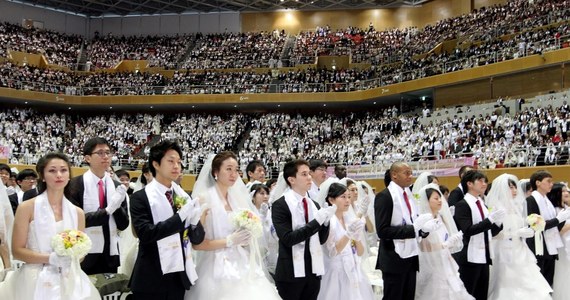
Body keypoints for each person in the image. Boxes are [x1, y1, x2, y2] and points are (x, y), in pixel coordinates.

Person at [0, 152, 100, 299]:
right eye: (52, 170)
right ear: (42, 175)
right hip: (33, 279)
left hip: (69, 278)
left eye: (63, 170)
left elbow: (81, 251)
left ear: (69, 175)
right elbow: (17, 251)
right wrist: (50, 258)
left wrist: (72, 257)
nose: (59, 175)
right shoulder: (27, 208)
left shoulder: (77, 213)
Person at [186, 151, 280, 300]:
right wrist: (229, 241)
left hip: (242, 261)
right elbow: (197, 244)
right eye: (228, 169)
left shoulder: (237, 200)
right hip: (216, 265)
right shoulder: (204, 199)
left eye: (236, 170)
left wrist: (247, 236)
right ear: (216, 172)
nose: (233, 174)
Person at [129, 140, 205, 300]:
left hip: (178, 277)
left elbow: (197, 239)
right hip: (151, 277)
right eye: (171, 161)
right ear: (156, 164)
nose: (177, 166)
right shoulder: (140, 197)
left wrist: (194, 223)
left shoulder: (183, 197)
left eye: (179, 162)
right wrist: (180, 217)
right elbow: (145, 234)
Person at [272, 159, 335, 300]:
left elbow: (322, 239)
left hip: (313, 271)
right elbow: (288, 239)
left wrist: (325, 223)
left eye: (309, 174)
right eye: (304, 174)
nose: (309, 178)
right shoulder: (280, 205)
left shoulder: (314, 204)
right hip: (290, 272)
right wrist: (316, 222)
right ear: (291, 179)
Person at [375, 162, 439, 300]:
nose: (410, 176)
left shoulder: (408, 195)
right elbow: (382, 231)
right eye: (406, 173)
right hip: (394, 258)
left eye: (411, 173)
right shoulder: (385, 196)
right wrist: (413, 229)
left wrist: (423, 230)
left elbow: (413, 222)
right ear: (394, 175)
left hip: (411, 257)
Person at [68, 137, 129, 274]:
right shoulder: (75, 185)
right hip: (84, 253)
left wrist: (117, 206)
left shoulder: (117, 187)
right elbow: (76, 220)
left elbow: (123, 225)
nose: (106, 157)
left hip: (110, 253)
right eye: (100, 153)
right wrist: (107, 211)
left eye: (108, 153)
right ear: (88, 158)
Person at [486, 174, 551, 300]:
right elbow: (493, 234)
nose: (515, 191)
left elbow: (519, 224)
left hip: (520, 248)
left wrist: (528, 230)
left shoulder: (517, 206)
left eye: (515, 187)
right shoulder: (495, 208)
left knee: (529, 279)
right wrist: (516, 233)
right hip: (504, 250)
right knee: (508, 281)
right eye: (511, 188)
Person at [317, 181, 374, 300]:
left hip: (353, 269)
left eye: (348, 197)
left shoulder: (349, 219)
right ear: (331, 200)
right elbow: (333, 252)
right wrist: (348, 234)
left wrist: (357, 238)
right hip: (336, 272)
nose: (347, 200)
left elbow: (360, 252)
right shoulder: (329, 222)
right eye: (343, 197)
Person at [415, 183, 472, 300]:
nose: (440, 201)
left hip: (445, 260)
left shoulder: (441, 217)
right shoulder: (424, 220)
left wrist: (452, 242)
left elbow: (446, 237)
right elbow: (423, 245)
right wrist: (444, 245)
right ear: (427, 201)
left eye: (440, 197)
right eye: (436, 198)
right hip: (431, 263)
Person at [453, 170, 504, 300]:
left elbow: (488, 232)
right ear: (469, 183)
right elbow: (468, 230)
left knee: (482, 293)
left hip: (484, 255)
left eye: (485, 181)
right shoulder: (462, 205)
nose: (484, 183)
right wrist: (489, 221)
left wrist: (498, 224)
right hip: (469, 256)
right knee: (469, 293)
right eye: (480, 181)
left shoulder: (482, 203)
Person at [526, 170, 570, 286]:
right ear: (538, 183)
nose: (551, 184)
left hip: (550, 248)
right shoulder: (531, 200)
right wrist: (558, 220)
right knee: (539, 283)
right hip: (538, 247)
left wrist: (563, 218)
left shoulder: (547, 201)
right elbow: (535, 225)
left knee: (549, 282)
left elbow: (556, 225)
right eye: (548, 181)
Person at [550, 183, 570, 300]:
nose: (566, 193)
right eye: (563, 191)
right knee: (564, 271)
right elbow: (558, 230)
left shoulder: (567, 208)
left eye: (567, 190)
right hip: (562, 245)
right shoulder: (555, 210)